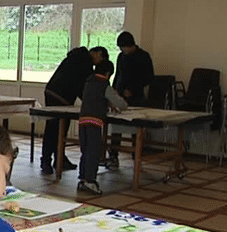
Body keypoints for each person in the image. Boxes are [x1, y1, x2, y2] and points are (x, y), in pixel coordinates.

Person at [40, 46, 109, 174]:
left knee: (54, 128)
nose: (97, 63)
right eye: (100, 59)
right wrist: (94, 102)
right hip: (61, 96)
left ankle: (57, 159)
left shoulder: (76, 56)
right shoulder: (85, 62)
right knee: (55, 129)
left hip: (53, 91)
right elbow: (84, 87)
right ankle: (47, 161)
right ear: (98, 53)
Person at [78, 61, 127, 195]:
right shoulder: (104, 85)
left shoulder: (88, 82)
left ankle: (82, 179)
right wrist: (119, 103)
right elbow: (121, 104)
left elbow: (93, 98)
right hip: (95, 121)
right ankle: (90, 180)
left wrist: (107, 103)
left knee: (85, 151)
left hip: (82, 120)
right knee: (94, 152)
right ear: (108, 74)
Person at [108, 31, 154, 166]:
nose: (122, 50)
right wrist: (114, 91)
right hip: (121, 95)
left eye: (124, 47)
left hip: (137, 96)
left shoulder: (144, 56)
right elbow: (118, 75)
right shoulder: (121, 57)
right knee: (117, 127)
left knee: (136, 127)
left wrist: (133, 90)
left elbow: (149, 78)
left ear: (130, 45)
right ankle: (113, 155)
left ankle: (137, 154)